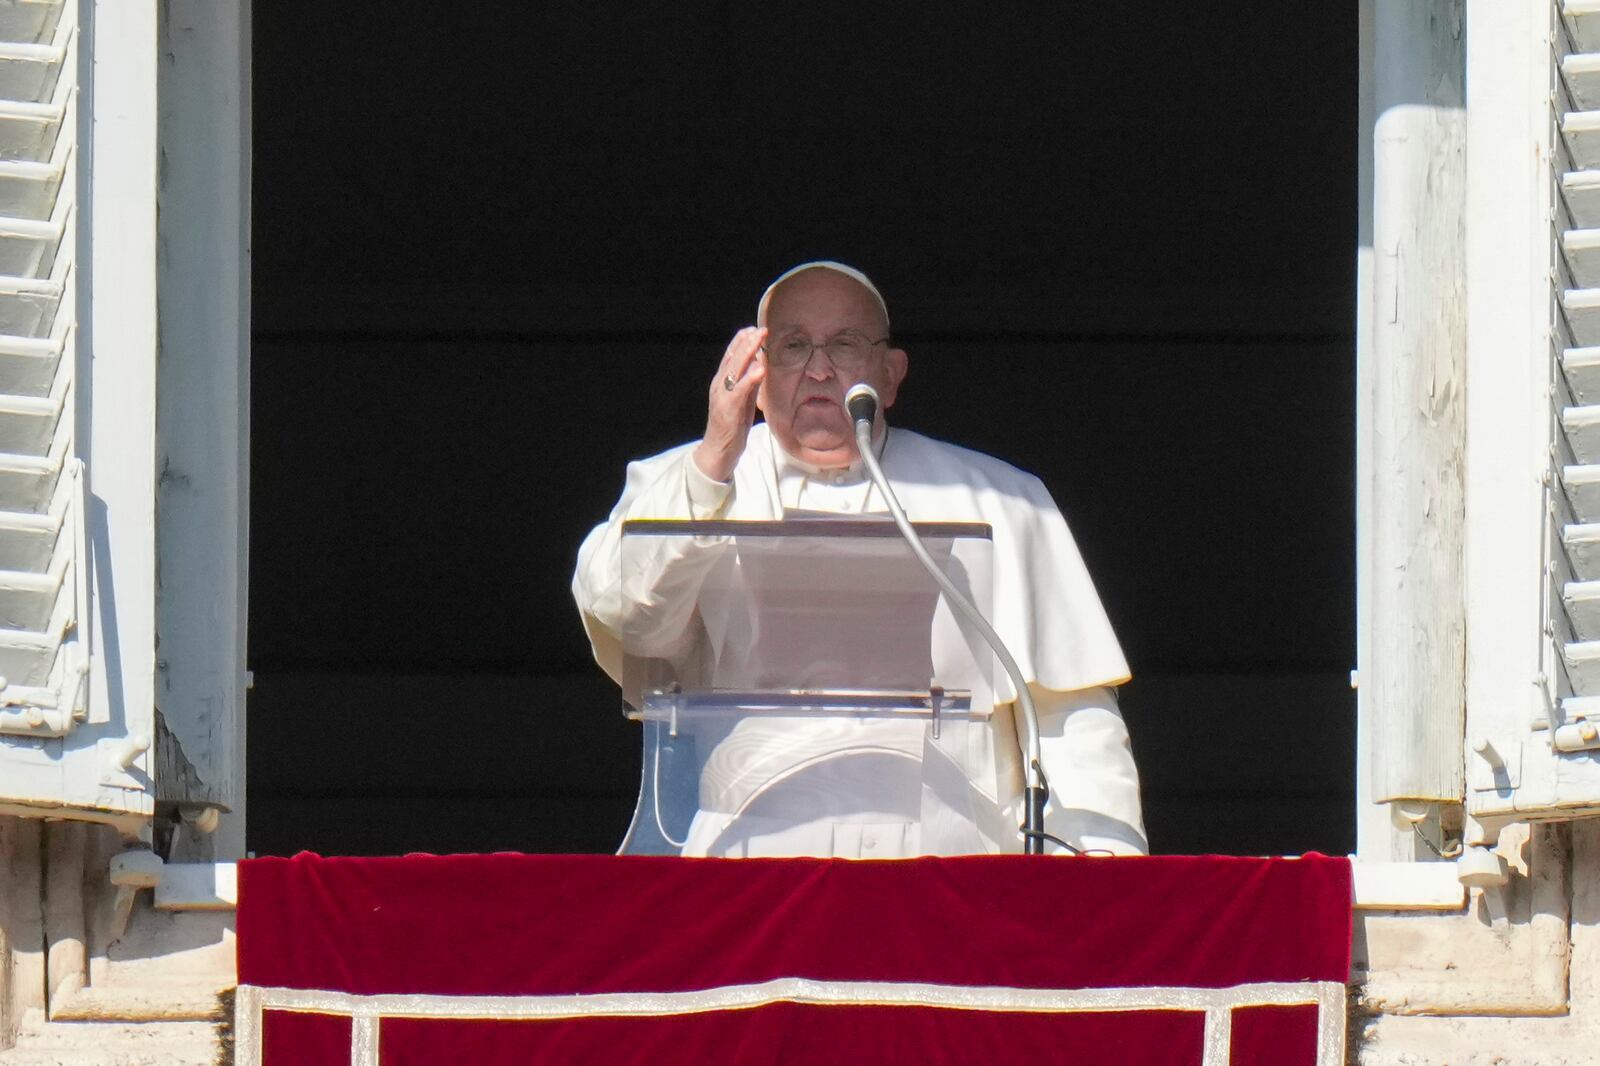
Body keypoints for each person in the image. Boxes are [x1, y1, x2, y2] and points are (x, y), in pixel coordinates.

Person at [572, 261, 1146, 858]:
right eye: (793, 346)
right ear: (757, 372)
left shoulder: (999, 498)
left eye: (844, 344)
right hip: (748, 866)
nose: (819, 368)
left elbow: (1072, 723)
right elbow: (628, 618)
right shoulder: (686, 482)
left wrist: (1103, 882)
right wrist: (716, 457)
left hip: (950, 870)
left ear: (891, 374)